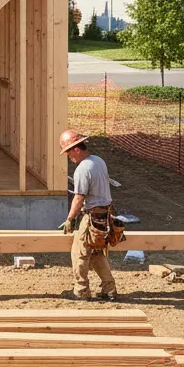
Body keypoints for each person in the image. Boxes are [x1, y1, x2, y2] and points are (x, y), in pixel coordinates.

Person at [59, 129, 118, 301]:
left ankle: (81, 291)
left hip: (92, 217)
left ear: (76, 149)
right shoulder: (99, 161)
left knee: (79, 253)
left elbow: (79, 197)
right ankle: (109, 289)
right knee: (97, 253)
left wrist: (70, 219)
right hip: (104, 216)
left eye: (68, 152)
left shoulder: (82, 169)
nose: (69, 156)